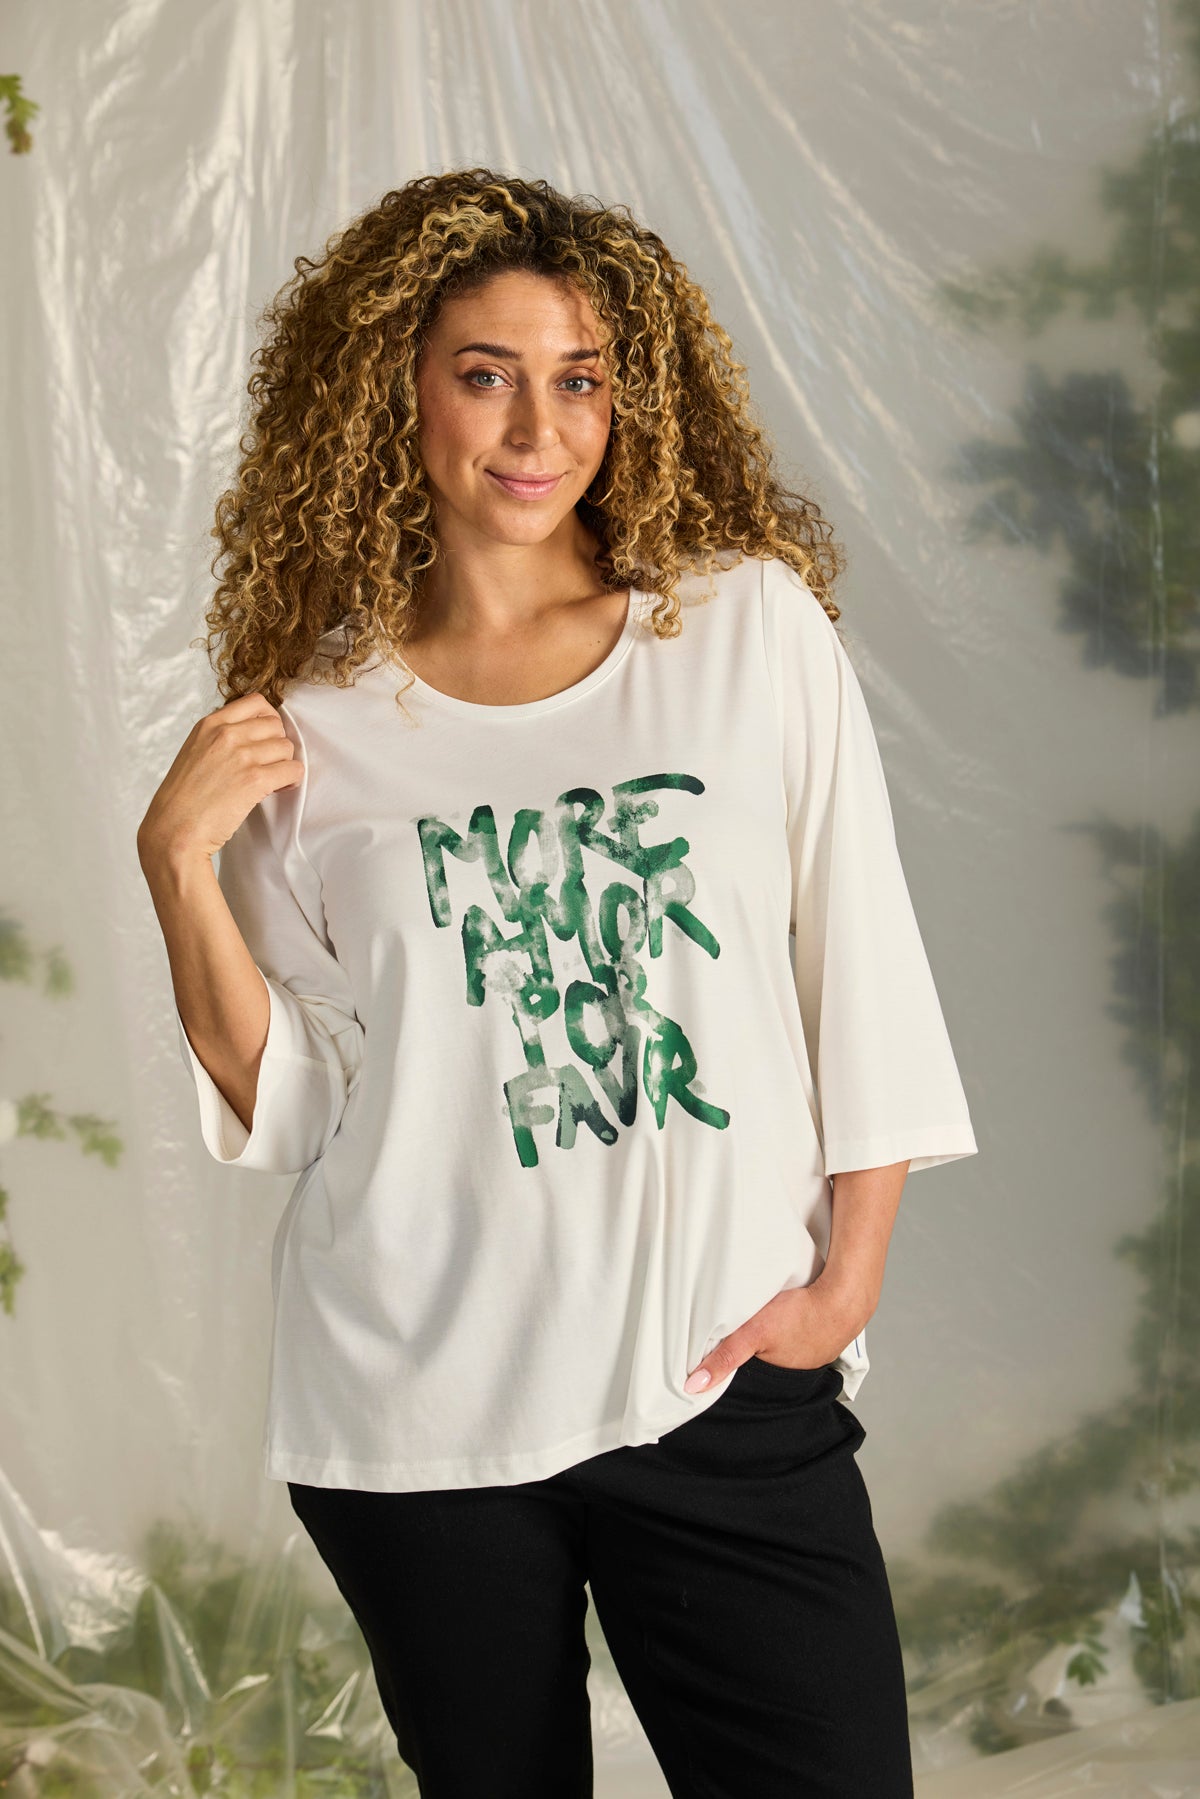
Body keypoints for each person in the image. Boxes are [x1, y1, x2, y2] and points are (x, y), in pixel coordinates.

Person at [137, 167, 978, 1799]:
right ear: (393, 392)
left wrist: (841, 1288)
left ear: (629, 397)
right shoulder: (316, 722)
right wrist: (177, 866)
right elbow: (296, 1101)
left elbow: (860, 956)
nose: (539, 429)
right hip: (422, 1403)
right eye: (486, 375)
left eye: (580, 378)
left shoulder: (742, 631)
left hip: (716, 1367)